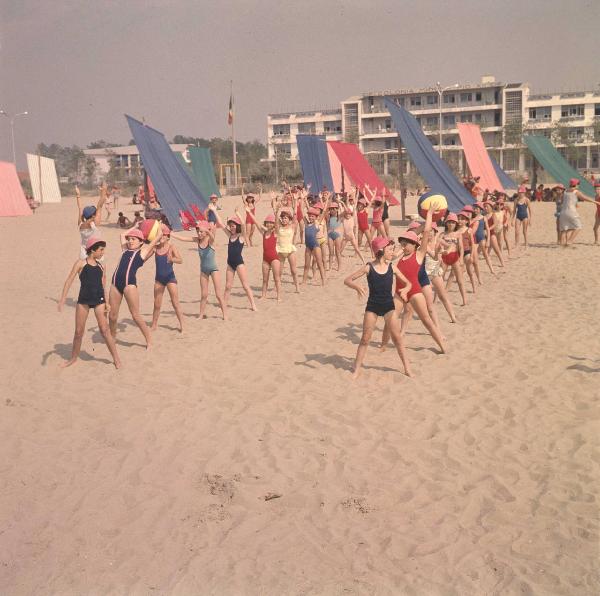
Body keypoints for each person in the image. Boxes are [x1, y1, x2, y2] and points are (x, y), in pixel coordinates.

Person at [344, 237, 412, 378]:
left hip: (388, 306)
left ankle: (407, 368)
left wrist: (405, 290)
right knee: (365, 339)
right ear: (380, 251)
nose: (392, 253)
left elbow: (408, 283)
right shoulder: (369, 267)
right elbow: (347, 280)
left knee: (398, 338)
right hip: (373, 306)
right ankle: (356, 369)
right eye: (389, 250)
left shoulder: (392, 267)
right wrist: (356, 286)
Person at [382, 206, 447, 353]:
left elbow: (425, 232)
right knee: (390, 319)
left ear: (415, 245)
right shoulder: (400, 256)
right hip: (399, 293)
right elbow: (388, 258)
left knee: (426, 321)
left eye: (406, 245)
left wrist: (429, 214)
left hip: (415, 292)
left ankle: (442, 347)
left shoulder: (419, 254)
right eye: (402, 244)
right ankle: (383, 345)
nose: (403, 247)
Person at [58, 237, 121, 369]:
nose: (103, 252)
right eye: (101, 250)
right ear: (93, 250)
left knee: (105, 330)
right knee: (79, 332)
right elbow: (69, 280)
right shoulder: (80, 263)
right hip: (84, 301)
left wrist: (107, 302)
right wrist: (63, 298)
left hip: (99, 301)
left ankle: (116, 358)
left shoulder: (102, 265)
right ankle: (73, 358)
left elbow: (103, 285)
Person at [109, 226, 162, 348]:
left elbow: (156, 239)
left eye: (134, 239)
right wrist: (136, 226)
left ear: (141, 242)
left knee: (135, 315)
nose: (130, 241)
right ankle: (112, 337)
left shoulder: (142, 252)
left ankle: (149, 340)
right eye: (130, 239)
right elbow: (122, 235)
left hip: (129, 285)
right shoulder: (124, 250)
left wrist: (158, 228)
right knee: (112, 315)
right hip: (115, 284)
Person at [172, 221, 228, 320]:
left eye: (201, 232)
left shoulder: (210, 241)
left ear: (206, 232)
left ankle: (225, 315)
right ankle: (201, 315)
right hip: (203, 270)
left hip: (214, 270)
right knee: (204, 295)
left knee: (219, 294)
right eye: (198, 231)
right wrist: (171, 234)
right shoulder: (197, 240)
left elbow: (213, 237)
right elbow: (183, 239)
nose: (199, 233)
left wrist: (207, 230)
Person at [215, 207, 258, 311]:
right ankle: (224, 305)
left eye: (233, 225)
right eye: (230, 226)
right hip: (230, 263)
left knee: (245, 285)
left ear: (237, 226)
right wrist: (214, 211)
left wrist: (237, 213)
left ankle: (253, 305)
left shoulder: (241, 236)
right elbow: (220, 223)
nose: (231, 227)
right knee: (228, 286)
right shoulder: (230, 235)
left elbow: (243, 224)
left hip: (239, 263)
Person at [151, 225, 184, 332]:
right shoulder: (155, 248)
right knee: (157, 304)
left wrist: (172, 259)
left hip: (170, 278)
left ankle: (182, 325)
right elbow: (144, 253)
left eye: (162, 236)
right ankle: (154, 325)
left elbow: (180, 260)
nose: (160, 238)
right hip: (159, 279)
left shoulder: (171, 247)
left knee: (175, 303)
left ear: (167, 237)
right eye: (159, 236)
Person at [246, 209, 282, 301]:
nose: (269, 224)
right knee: (265, 279)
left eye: (271, 223)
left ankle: (279, 296)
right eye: (267, 222)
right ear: (265, 223)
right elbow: (256, 222)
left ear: (273, 224)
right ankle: (263, 295)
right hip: (265, 259)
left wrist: (276, 212)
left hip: (274, 258)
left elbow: (277, 224)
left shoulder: (275, 233)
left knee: (276, 278)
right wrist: (249, 212)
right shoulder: (264, 233)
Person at [559, 178, 600, 247]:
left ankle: (563, 245)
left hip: (563, 212)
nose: (597, 190)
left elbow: (562, 201)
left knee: (565, 229)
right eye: (596, 189)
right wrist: (595, 202)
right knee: (578, 227)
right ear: (576, 185)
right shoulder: (576, 192)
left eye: (598, 189)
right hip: (571, 212)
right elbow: (584, 198)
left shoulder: (565, 191)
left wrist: (574, 202)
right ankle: (569, 242)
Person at [439, 213, 467, 307]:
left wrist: (462, 258)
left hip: (455, 257)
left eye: (453, 223)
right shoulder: (442, 234)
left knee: (460, 280)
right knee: (439, 279)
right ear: (446, 223)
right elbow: (438, 245)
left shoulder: (458, 234)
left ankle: (464, 300)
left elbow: (461, 248)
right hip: (444, 258)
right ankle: (435, 299)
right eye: (449, 222)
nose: (451, 224)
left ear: (456, 224)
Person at [76, 183, 107, 259]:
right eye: (95, 212)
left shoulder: (81, 224)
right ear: (93, 215)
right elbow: (100, 205)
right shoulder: (94, 223)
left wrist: (78, 195)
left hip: (83, 253)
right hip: (95, 253)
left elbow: (80, 208)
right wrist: (104, 191)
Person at [301, 205, 327, 287]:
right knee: (306, 265)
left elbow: (324, 212)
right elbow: (301, 212)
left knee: (319, 263)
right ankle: (304, 281)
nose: (311, 217)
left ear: (316, 217)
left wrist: (325, 202)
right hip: (308, 246)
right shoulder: (306, 223)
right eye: (310, 216)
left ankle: (323, 281)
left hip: (315, 245)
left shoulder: (317, 224)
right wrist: (302, 199)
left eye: (312, 216)